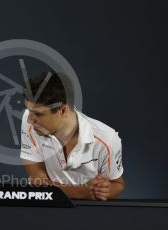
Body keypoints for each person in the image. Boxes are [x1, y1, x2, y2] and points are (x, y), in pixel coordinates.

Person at [20, 71, 124, 200]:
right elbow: (38, 179)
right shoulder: (30, 121)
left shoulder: (107, 139)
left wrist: (105, 191)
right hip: (47, 207)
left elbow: (118, 184)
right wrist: (83, 192)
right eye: (28, 110)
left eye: (38, 114)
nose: (30, 119)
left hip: (88, 212)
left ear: (63, 110)